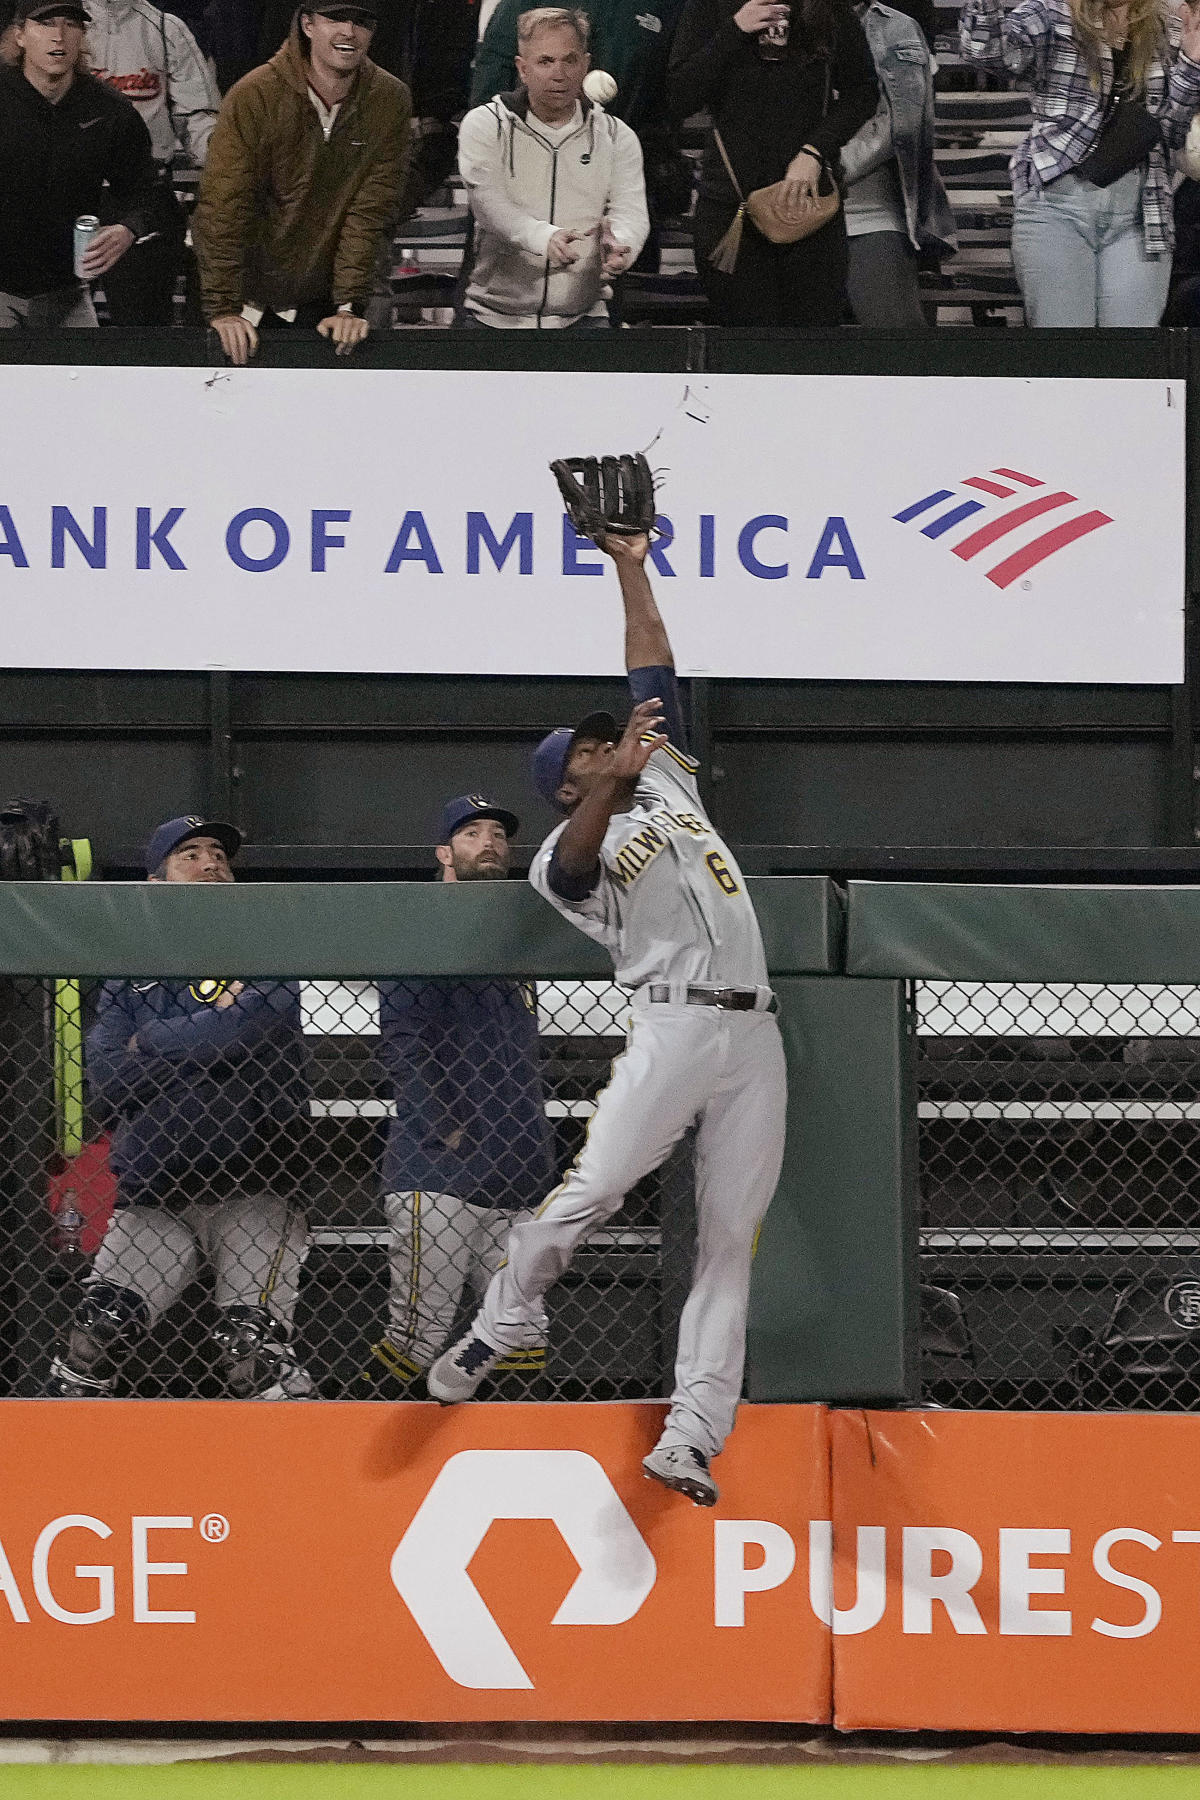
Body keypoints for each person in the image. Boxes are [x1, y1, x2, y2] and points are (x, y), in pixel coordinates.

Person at [428, 535, 787, 1509]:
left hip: (756, 1035)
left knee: (729, 1239)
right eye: (585, 752)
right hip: (672, 1030)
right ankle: (502, 1319)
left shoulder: (666, 780)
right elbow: (582, 865)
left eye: (605, 738)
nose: (605, 747)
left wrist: (629, 563)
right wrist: (612, 780)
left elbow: (651, 661)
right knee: (590, 1197)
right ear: (564, 786)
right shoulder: (560, 851)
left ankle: (692, 1436)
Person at [46, 816, 316, 1400]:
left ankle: (297, 1477)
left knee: (255, 1352)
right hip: (155, 1190)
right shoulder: (132, 975)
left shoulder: (265, 950)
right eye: (189, 853)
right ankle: (71, 1480)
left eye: (218, 852)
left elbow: (246, 1032)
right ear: (155, 881)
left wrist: (153, 1043)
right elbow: (108, 1081)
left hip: (255, 1183)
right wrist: (201, 1044)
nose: (211, 861)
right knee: (95, 1338)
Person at [361, 795, 556, 1395]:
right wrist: (444, 1125)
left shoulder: (514, 940)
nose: (489, 842)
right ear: (444, 852)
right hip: (438, 1172)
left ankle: (510, 1459)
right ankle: (358, 1445)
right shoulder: (419, 924)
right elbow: (403, 1042)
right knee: (418, 1334)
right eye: (471, 833)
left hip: (515, 1174)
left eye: (498, 833)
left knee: (522, 1334)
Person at [192, 0, 411, 364]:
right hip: (240, 298)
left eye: (362, 22)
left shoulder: (389, 99)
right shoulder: (254, 94)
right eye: (336, 18)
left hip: (320, 301)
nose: (349, 32)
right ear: (307, 24)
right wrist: (222, 308)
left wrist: (348, 305)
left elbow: (369, 212)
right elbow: (223, 208)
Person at [960, 0, 1200, 326]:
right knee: (1069, 354)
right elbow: (985, 53)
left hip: (1142, 215)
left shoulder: (1165, 27)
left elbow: (1171, 133)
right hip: (1056, 208)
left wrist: (1192, 63)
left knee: (1130, 362)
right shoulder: (1050, 14)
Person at [667, 0, 877, 325]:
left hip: (811, 208)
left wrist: (815, 151)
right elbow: (679, 97)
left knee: (811, 357)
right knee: (748, 354)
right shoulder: (709, 8)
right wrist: (735, 28)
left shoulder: (829, 8)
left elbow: (862, 93)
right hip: (730, 212)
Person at [457, 7, 649, 328]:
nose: (559, 74)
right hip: (492, 319)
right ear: (522, 68)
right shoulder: (485, 125)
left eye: (569, 60)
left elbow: (630, 210)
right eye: (545, 61)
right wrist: (544, 237)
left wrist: (622, 244)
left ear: (586, 65)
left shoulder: (617, 135)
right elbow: (489, 205)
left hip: (585, 319)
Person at [470, 0, 693, 269]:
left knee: (612, 293)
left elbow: (674, 90)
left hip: (617, 184)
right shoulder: (520, 6)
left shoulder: (667, 7)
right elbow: (491, 80)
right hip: (526, 184)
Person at [0, 0, 158, 328]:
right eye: (45, 24)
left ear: (82, 37)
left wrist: (128, 228)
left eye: (70, 25)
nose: (59, 36)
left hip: (66, 293)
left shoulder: (108, 110)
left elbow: (145, 188)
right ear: (19, 36)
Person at [86, 0, 220, 325]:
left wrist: (226, 162)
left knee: (144, 333)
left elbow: (198, 117)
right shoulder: (59, 26)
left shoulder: (165, 29)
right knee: (52, 329)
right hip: (70, 190)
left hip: (144, 193)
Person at [841, 0, 954, 324]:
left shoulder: (895, 27)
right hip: (787, 210)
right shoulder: (779, 23)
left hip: (869, 215)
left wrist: (823, 168)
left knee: (898, 357)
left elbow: (901, 125)